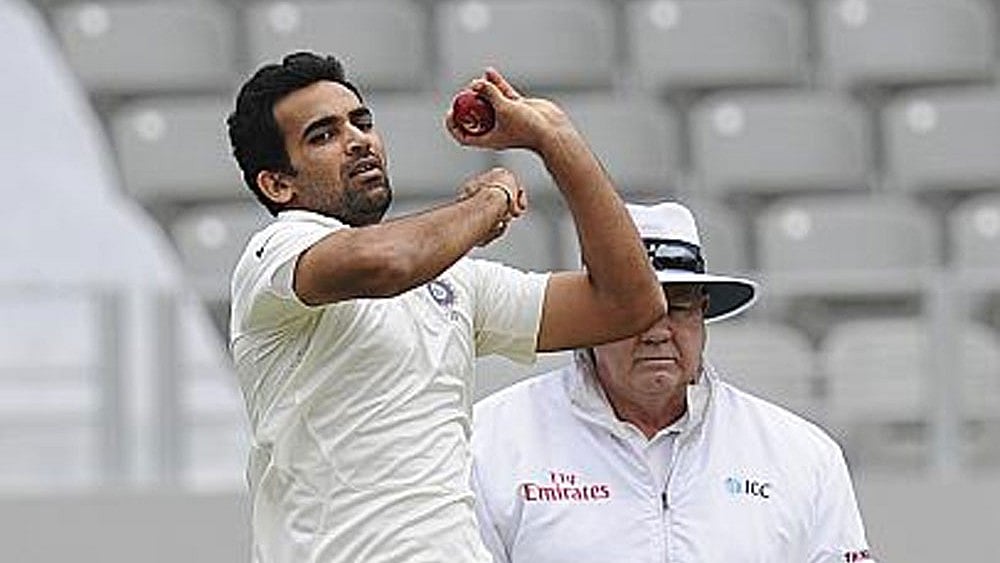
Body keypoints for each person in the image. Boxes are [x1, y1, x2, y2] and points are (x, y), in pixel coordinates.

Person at [225, 51, 664, 563]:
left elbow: (629, 304)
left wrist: (555, 139)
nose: (358, 140)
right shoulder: (274, 252)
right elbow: (387, 262)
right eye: (323, 135)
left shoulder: (450, 279)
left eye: (361, 122)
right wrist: (491, 198)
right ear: (278, 184)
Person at [471, 201, 876, 562]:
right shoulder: (490, 441)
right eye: (633, 311)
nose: (657, 331)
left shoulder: (803, 454)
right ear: (590, 315)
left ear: (702, 314)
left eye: (678, 308)